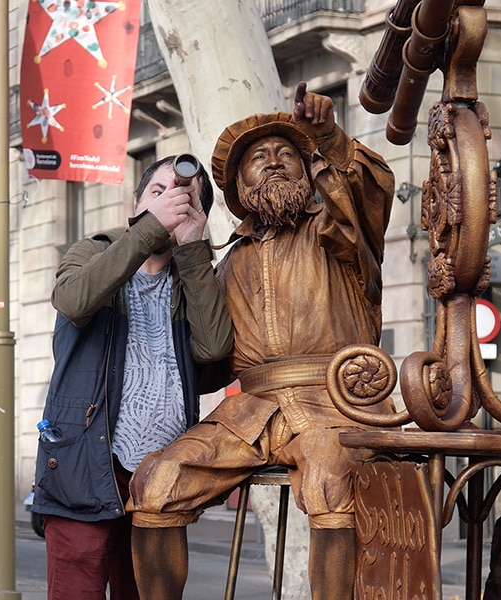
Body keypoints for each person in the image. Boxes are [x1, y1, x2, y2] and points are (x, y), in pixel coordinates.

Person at [127, 81, 395, 600]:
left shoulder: (338, 232)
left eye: (286, 154)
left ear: (307, 169)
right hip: (251, 411)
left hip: (335, 404)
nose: (273, 162)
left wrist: (330, 137)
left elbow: (367, 189)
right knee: (156, 482)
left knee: (331, 477)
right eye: (259, 158)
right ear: (239, 185)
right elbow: (209, 361)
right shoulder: (229, 263)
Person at [32, 155, 233, 600]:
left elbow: (215, 350)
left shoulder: (194, 277)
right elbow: (72, 299)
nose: (169, 205)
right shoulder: (94, 251)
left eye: (184, 200)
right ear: (136, 201)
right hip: (85, 469)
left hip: (159, 482)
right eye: (158, 193)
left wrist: (194, 248)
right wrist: (148, 231)